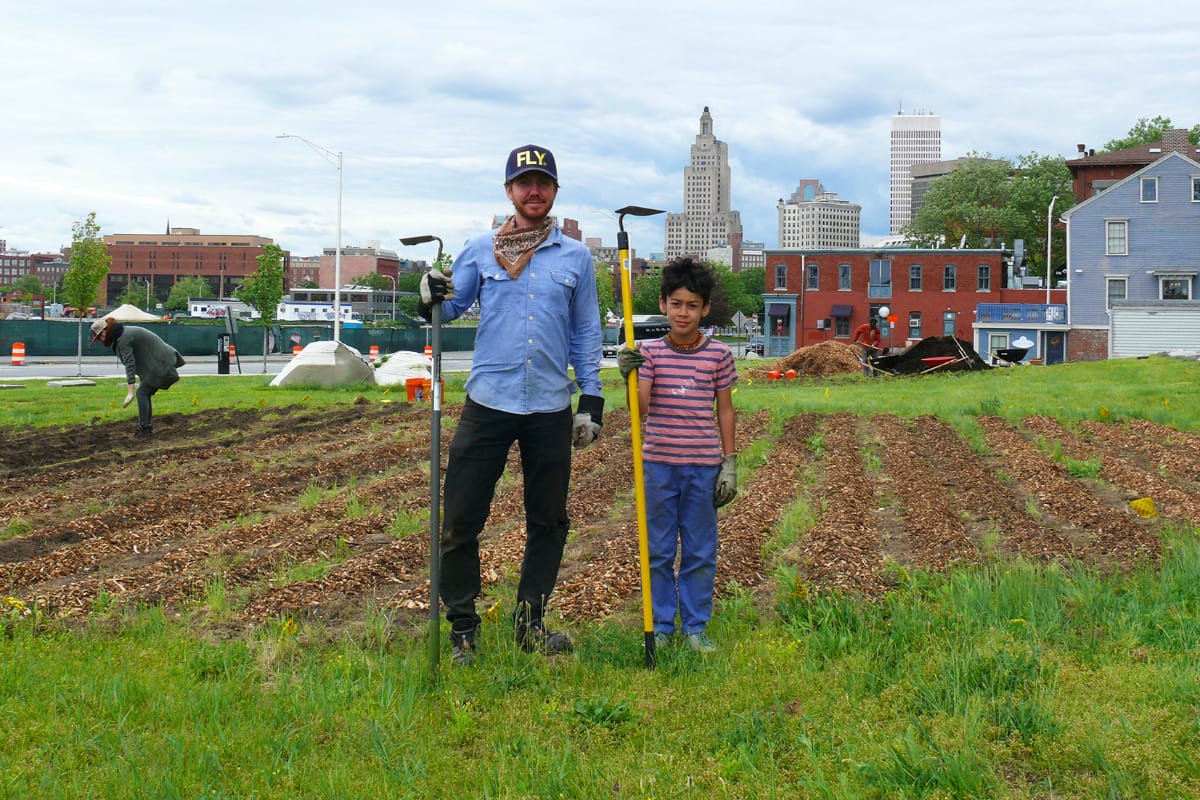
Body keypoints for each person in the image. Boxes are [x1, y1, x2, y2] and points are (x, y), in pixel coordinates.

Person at [417, 144, 604, 665]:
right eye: (525, 183)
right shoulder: (479, 250)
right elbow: (449, 306)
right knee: (459, 520)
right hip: (488, 403)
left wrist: (591, 399)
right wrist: (429, 293)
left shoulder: (576, 258)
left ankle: (530, 622)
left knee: (548, 521)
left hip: (548, 407)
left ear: (555, 191)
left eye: (543, 182)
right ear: (509, 191)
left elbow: (586, 331)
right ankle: (462, 630)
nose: (534, 191)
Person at [617, 256, 738, 654]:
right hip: (659, 466)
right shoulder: (649, 352)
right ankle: (663, 624)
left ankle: (696, 627)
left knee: (701, 550)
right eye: (675, 304)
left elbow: (725, 409)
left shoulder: (718, 355)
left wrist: (729, 462)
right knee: (658, 550)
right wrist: (629, 375)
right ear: (663, 303)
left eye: (692, 305)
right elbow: (643, 407)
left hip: (702, 466)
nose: (683, 313)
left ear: (704, 308)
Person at [90, 316, 186, 437]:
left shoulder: (122, 338)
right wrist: (142, 379)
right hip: (160, 363)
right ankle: (146, 426)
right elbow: (143, 357)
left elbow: (130, 364)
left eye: (99, 338)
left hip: (162, 364)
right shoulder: (123, 333)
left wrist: (130, 392)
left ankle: (144, 428)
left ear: (104, 332)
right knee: (144, 393)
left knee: (142, 393)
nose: (101, 341)